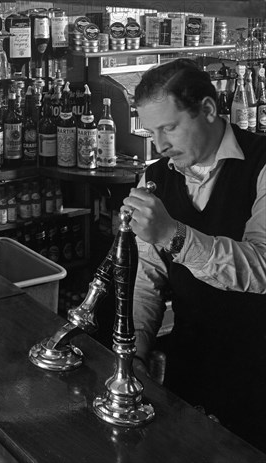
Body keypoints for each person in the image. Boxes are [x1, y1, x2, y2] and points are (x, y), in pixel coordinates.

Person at [122, 58, 266, 453]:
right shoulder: (154, 177)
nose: (161, 145)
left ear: (207, 109)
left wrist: (173, 235)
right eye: (151, 132)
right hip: (192, 362)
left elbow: (261, 268)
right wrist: (137, 349)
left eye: (169, 127)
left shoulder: (262, 164)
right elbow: (146, 277)